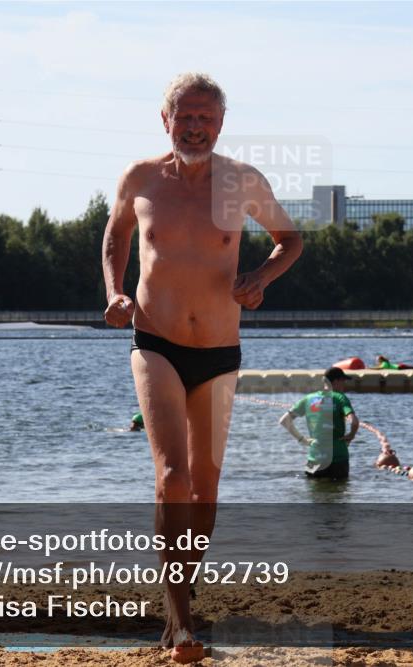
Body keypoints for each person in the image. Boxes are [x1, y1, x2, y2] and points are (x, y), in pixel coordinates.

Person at [101, 72, 302, 664]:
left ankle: (177, 602)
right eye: (184, 116)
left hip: (219, 350)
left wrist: (259, 279)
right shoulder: (140, 178)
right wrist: (114, 292)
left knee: (206, 489)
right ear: (165, 120)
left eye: (205, 118)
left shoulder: (242, 182)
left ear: (220, 123)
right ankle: (184, 624)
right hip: (155, 341)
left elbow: (289, 241)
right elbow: (114, 239)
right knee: (173, 478)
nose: (195, 126)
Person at [279, 367, 362, 480]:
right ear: (336, 381)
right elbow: (354, 422)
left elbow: (284, 421)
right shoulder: (340, 398)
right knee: (338, 494)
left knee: (314, 494)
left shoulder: (308, 398)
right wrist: (351, 435)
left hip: (314, 458)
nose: (345, 384)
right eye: (343, 381)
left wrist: (302, 440)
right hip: (337, 458)